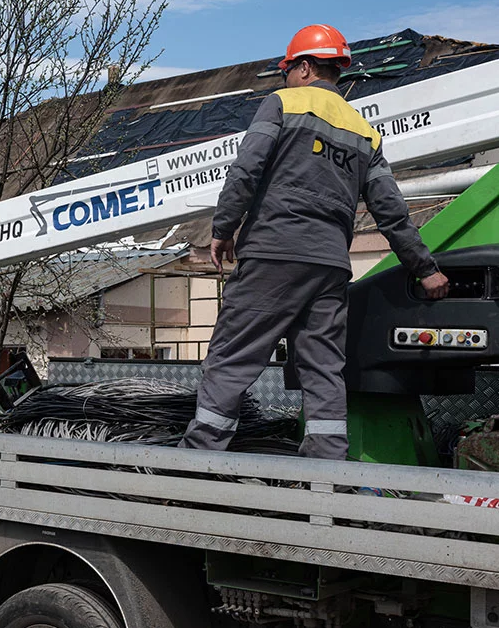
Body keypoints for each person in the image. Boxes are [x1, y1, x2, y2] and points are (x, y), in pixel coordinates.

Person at [179, 24, 451, 461]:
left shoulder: (282, 103)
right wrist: (426, 269)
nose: (286, 78)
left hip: (273, 253)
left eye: (287, 70)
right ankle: (327, 472)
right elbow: (391, 210)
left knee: (232, 359)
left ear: (304, 67)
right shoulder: (363, 132)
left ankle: (197, 462)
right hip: (329, 267)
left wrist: (223, 228)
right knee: (323, 369)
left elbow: (245, 170)